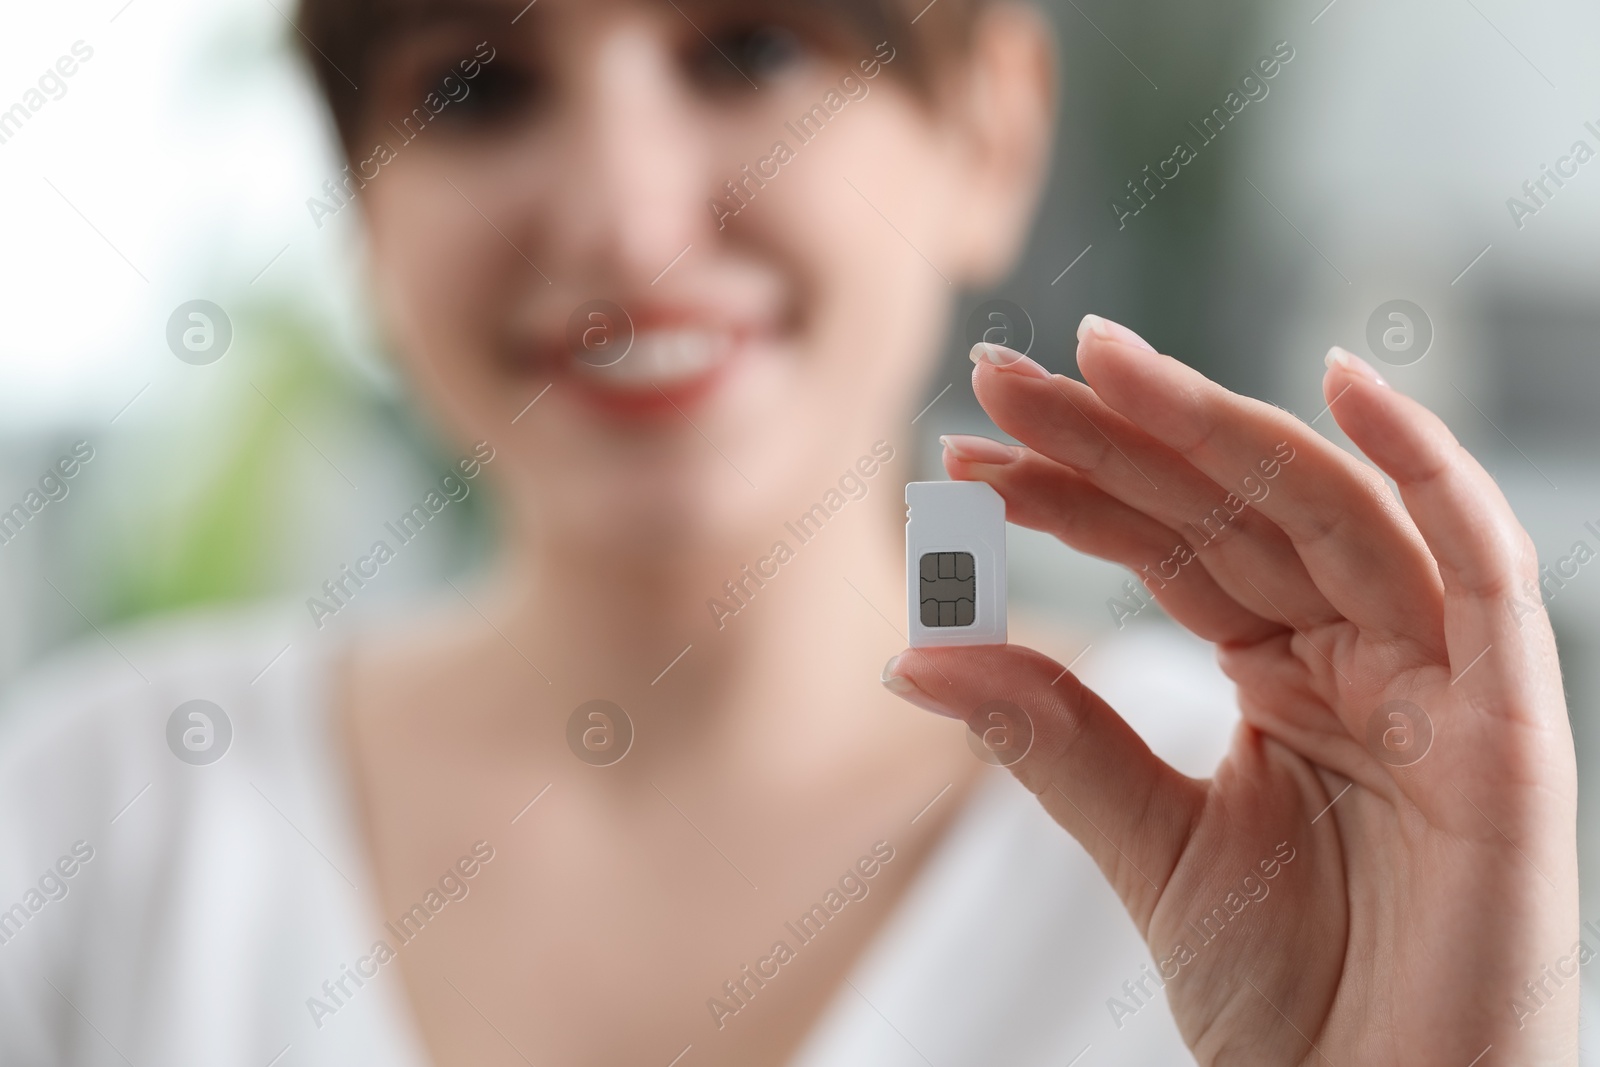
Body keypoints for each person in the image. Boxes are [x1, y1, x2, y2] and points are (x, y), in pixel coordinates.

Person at [0, 0, 1577, 1064]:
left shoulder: (1292, 832)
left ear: (991, 134)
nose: (625, 216)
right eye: (476, 85)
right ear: (356, 207)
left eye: (748, 47)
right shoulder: (92, 818)